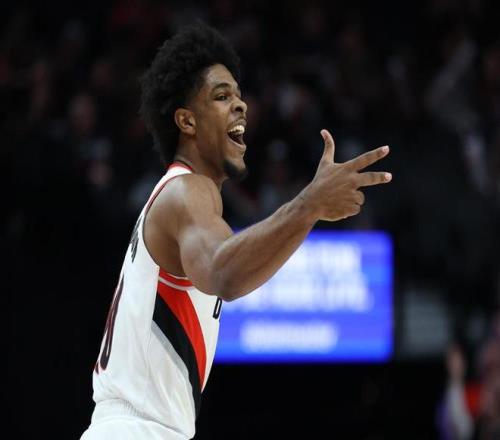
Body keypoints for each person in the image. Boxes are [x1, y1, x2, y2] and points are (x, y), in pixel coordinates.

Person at [80, 23, 392, 440]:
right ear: (186, 121)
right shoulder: (187, 191)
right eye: (222, 96)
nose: (241, 104)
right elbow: (223, 272)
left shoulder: (176, 197)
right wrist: (309, 204)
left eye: (239, 95)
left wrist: (308, 211)